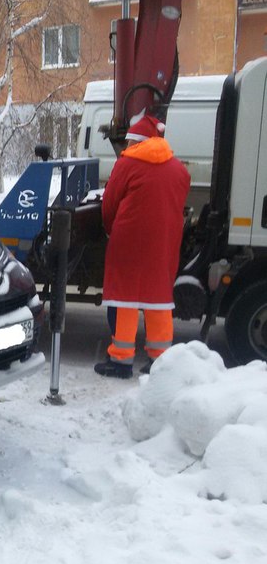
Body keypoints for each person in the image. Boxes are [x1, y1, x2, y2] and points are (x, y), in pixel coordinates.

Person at [94, 112, 190, 379]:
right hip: (164, 243)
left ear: (135, 141)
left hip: (128, 240)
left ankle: (121, 360)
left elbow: (110, 203)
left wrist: (111, 228)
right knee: (158, 299)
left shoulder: (127, 164)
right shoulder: (178, 169)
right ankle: (159, 361)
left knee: (125, 298)